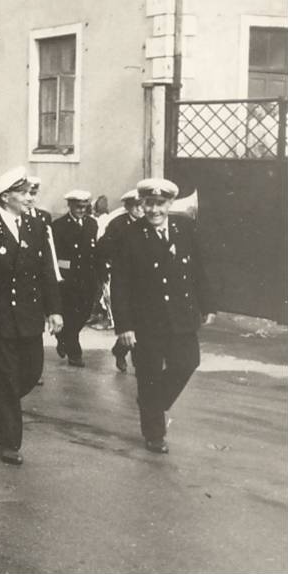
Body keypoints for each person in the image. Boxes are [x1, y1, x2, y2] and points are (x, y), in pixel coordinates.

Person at [0, 167, 62, 465]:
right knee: (5, 380)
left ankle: (0, 401)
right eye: (23, 193)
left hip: (29, 317)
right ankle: (9, 442)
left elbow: (47, 273)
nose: (30, 198)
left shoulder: (35, 227)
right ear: (5, 197)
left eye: (31, 193)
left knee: (31, 372)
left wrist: (54, 310)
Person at [110, 178, 215, 454]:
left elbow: (198, 270)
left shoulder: (185, 228)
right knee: (149, 375)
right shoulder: (128, 236)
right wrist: (124, 326)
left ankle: (151, 404)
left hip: (181, 315)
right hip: (146, 322)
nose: (154, 210)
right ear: (141, 204)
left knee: (188, 361)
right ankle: (154, 433)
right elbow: (120, 283)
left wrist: (208, 305)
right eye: (148, 204)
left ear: (170, 204)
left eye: (160, 204)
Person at [51, 190, 100, 368]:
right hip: (68, 278)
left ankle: (62, 336)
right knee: (71, 314)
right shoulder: (59, 225)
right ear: (70, 205)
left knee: (85, 313)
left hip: (87, 277)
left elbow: (93, 249)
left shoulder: (92, 224)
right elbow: (54, 253)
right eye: (78, 206)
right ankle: (74, 352)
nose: (81, 210)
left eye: (84, 206)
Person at [97, 189, 144, 370]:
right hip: (124, 278)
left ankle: (121, 350)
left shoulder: (149, 222)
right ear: (128, 207)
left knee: (143, 321)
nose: (140, 210)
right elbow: (103, 248)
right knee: (132, 321)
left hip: (144, 279)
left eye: (142, 206)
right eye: (136, 207)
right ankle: (122, 351)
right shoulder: (118, 224)